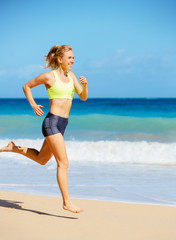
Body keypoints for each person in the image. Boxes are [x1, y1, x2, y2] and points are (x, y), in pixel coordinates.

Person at [0, 45, 88, 213]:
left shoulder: (72, 76)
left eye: (73, 58)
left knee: (41, 159)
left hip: (62, 124)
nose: (73, 61)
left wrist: (85, 86)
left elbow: (83, 97)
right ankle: (67, 202)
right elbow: (26, 86)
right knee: (63, 163)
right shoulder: (49, 77)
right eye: (69, 58)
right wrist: (33, 105)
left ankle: (14, 148)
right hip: (52, 123)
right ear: (60, 59)